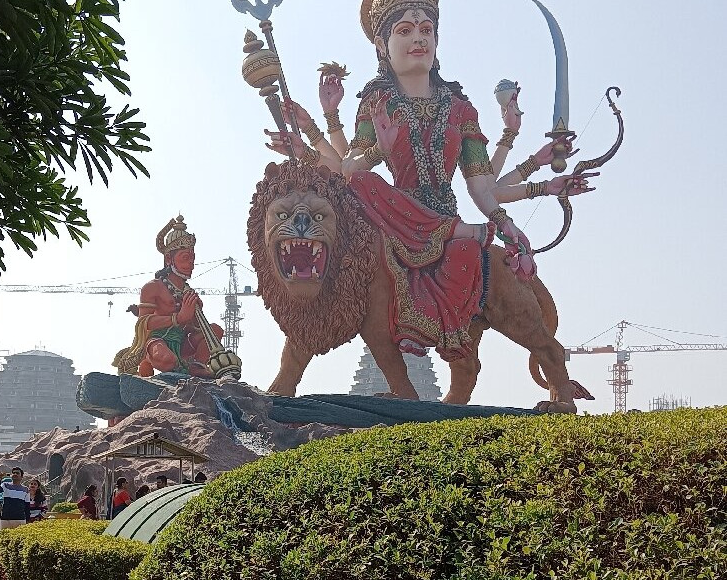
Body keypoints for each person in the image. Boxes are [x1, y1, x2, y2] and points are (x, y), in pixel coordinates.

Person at [266, 0, 595, 365]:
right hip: (393, 220)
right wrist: (362, 144)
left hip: (445, 217)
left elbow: (485, 187)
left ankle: (452, 240)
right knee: (360, 187)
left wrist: (509, 223)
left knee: (464, 250)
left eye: (426, 30)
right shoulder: (377, 103)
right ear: (382, 46)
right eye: (405, 31)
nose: (418, 39)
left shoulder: (460, 108)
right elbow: (349, 170)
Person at [112, 216, 225, 377]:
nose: (191, 264)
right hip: (157, 341)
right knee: (167, 359)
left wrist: (195, 313)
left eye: (192, 258)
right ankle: (147, 359)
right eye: (185, 258)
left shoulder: (188, 291)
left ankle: (197, 366)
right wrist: (177, 318)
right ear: (168, 259)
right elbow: (144, 323)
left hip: (182, 342)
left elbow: (193, 328)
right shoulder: (153, 287)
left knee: (215, 330)